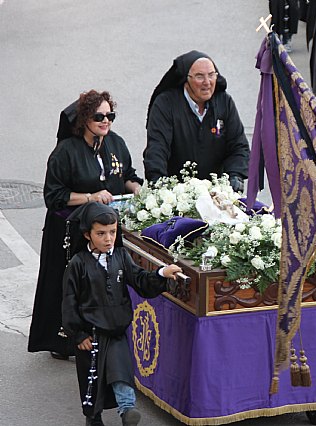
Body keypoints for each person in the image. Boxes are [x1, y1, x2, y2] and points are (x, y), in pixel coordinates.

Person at [28, 90, 143, 360]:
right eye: (99, 116)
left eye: (110, 116)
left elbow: (127, 175)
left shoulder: (116, 143)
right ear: (84, 119)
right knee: (71, 286)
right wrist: (91, 197)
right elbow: (53, 196)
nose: (106, 121)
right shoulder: (65, 152)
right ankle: (65, 340)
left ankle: (101, 335)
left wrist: (136, 188)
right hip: (71, 232)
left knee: (105, 283)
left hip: (105, 230)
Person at [61, 202, 181, 426]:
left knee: (121, 372)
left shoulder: (121, 256)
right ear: (87, 234)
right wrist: (77, 334)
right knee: (92, 380)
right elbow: (69, 301)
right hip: (91, 334)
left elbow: (140, 280)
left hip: (116, 330)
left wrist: (163, 273)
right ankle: (93, 418)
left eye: (113, 232)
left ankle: (127, 410)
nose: (108, 239)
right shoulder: (78, 264)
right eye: (101, 233)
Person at [144, 50, 250, 191]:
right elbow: (157, 147)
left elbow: (238, 146)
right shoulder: (165, 104)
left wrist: (236, 176)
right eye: (200, 77)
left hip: (217, 192)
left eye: (211, 75)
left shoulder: (224, 102)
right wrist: (158, 182)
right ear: (186, 79)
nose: (207, 82)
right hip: (178, 192)